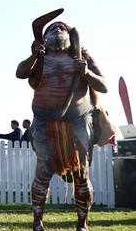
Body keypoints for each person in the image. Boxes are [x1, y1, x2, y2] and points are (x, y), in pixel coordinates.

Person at [16, 21, 107, 231]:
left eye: (62, 28)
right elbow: (20, 73)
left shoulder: (82, 56)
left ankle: (82, 224)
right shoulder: (40, 57)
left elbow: (103, 85)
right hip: (44, 123)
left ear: (70, 35)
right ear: (45, 37)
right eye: (52, 28)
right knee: (43, 173)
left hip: (77, 122)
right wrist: (34, 56)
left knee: (81, 175)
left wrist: (86, 73)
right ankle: (37, 222)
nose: (57, 30)